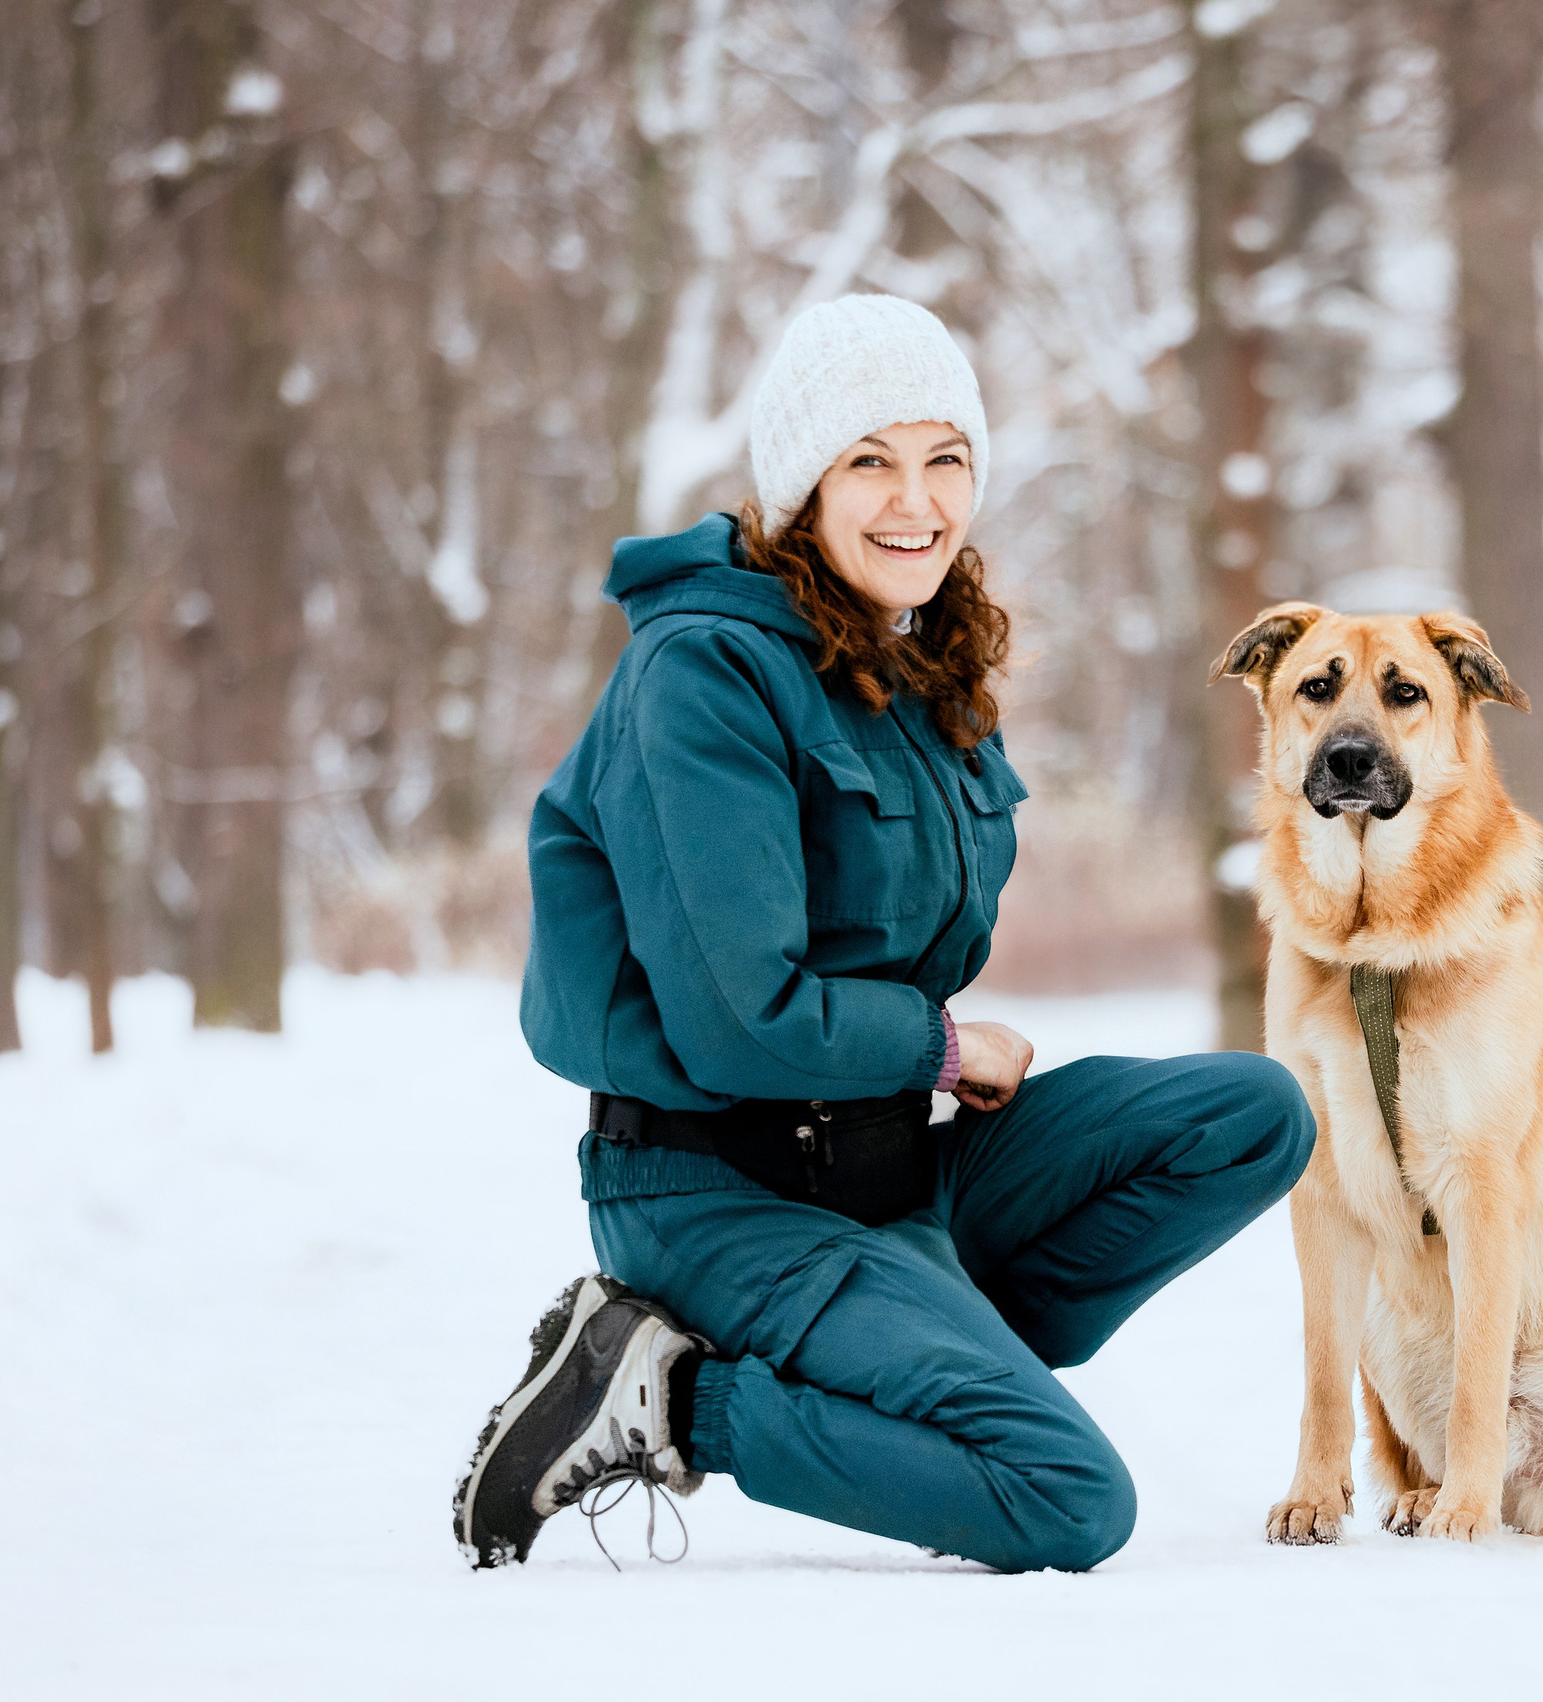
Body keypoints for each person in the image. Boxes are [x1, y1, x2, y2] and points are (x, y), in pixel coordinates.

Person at [452, 295, 1314, 1574]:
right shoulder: (703, 672)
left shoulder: (916, 668)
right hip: (718, 1194)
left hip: (887, 1174)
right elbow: (738, 1019)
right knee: (1064, 1497)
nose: (916, 501)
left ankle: (916, 1346)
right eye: (870, 461)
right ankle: (668, 1390)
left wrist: (926, 1070)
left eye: (944, 460)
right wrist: (940, 1046)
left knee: (1253, 1114)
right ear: (802, 482)